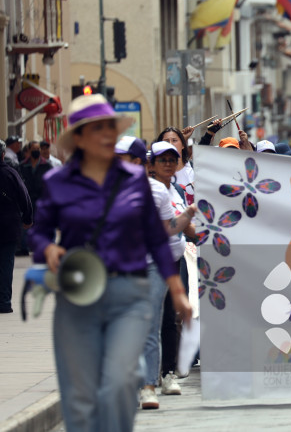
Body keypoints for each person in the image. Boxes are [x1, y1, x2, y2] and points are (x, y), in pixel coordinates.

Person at [27, 95, 191, 432]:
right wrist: (49, 251)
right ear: (79, 138)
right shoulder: (57, 183)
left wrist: (177, 289)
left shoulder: (135, 183)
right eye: (95, 129)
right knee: (80, 394)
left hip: (128, 293)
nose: (104, 135)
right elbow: (38, 235)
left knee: (119, 383)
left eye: (109, 128)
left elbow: (156, 237)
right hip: (79, 293)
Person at [150, 141, 197, 398]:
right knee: (151, 319)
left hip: (174, 260)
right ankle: (148, 376)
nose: (168, 163)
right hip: (151, 263)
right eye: (162, 160)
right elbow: (169, 227)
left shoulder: (176, 190)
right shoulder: (151, 191)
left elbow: (186, 228)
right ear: (152, 164)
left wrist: (213, 236)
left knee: (169, 319)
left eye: (172, 159)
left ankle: (167, 373)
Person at [0, 139, 33, 314]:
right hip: (8, 227)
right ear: (3, 154)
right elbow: (24, 196)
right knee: (6, 264)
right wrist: (28, 218)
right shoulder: (11, 173)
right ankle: (4, 302)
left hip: (7, 226)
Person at [18, 141, 53, 256]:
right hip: (27, 198)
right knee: (26, 222)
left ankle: (46, 246)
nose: (36, 151)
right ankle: (24, 247)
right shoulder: (22, 166)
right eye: (34, 149)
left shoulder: (46, 165)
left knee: (44, 223)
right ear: (28, 151)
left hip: (42, 198)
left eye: (38, 149)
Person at [156, 127, 195, 204]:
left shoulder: (195, 170)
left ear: (183, 145)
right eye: (166, 141)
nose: (170, 144)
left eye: (174, 140)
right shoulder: (154, 175)